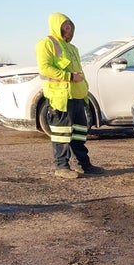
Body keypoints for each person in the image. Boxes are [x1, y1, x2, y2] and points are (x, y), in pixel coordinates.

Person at [35, 12, 104, 179]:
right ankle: (61, 167)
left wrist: (84, 90)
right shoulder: (46, 44)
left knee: (79, 134)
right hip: (61, 98)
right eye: (65, 26)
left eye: (70, 26)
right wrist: (70, 77)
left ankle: (85, 165)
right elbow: (45, 69)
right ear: (56, 27)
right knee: (62, 134)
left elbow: (79, 72)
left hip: (78, 97)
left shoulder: (73, 48)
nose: (68, 29)